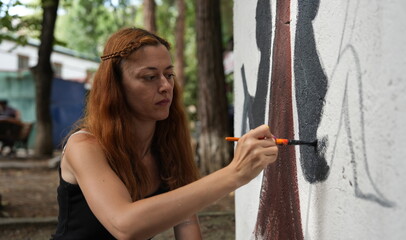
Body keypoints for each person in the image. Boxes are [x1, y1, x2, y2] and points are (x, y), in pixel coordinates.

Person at [50, 27, 278, 240]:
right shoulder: (85, 146)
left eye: (168, 75)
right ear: (115, 87)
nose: (165, 86)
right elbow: (124, 225)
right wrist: (234, 174)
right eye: (150, 77)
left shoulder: (166, 144)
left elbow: (186, 221)